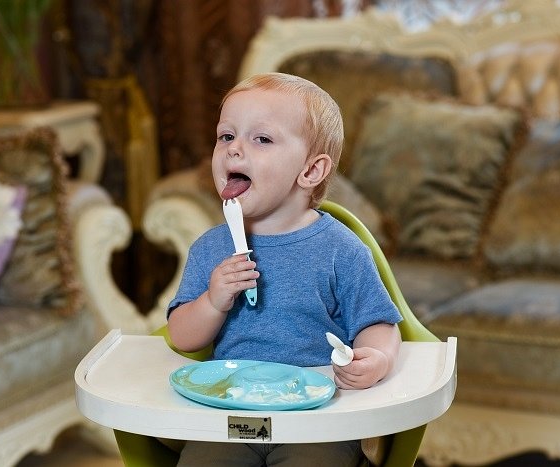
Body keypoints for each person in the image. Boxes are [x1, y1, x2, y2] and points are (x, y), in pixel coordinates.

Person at [167, 72, 403, 467]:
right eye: (226, 136)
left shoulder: (341, 250)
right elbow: (182, 337)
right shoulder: (210, 249)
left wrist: (377, 359)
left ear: (310, 171)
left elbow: (379, 323)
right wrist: (213, 300)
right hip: (233, 414)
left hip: (316, 418)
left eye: (262, 139)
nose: (234, 150)